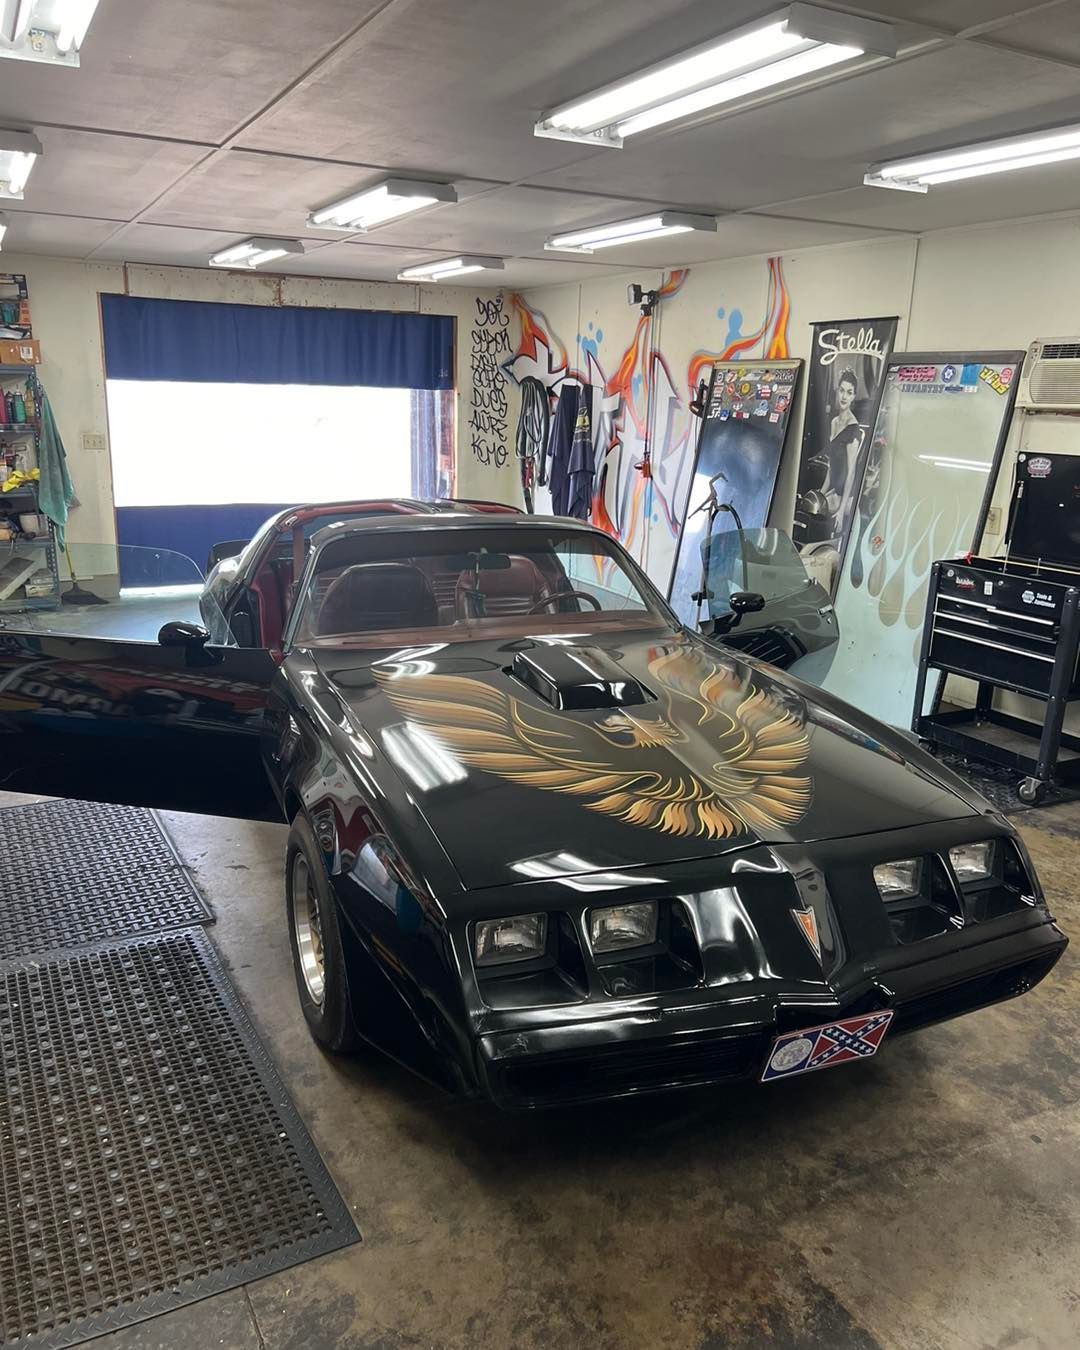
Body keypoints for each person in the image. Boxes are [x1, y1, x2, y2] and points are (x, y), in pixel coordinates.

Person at [829, 368, 859, 443]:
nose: (844, 397)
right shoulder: (834, 421)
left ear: (853, 397)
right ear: (838, 391)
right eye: (842, 390)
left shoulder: (853, 428)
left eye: (849, 393)